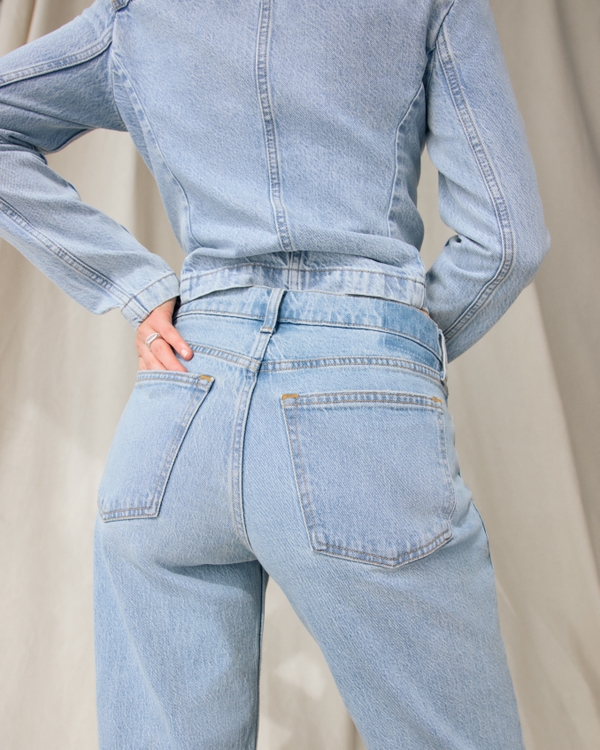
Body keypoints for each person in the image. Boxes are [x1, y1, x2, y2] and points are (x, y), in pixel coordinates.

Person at [0, 0, 549, 747]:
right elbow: (508, 241)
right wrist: (391, 351)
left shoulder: (138, 13)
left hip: (180, 407)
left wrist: (134, 285)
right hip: (356, 395)